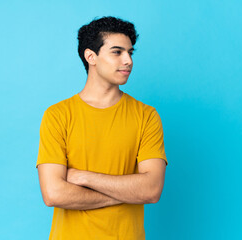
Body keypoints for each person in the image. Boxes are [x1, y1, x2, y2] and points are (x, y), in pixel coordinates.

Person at [36, 16, 168, 240]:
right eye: (117, 52)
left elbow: (151, 190)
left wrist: (84, 177)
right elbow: (54, 194)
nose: (128, 60)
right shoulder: (57, 115)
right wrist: (126, 194)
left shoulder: (146, 116)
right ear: (91, 57)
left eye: (130, 52)